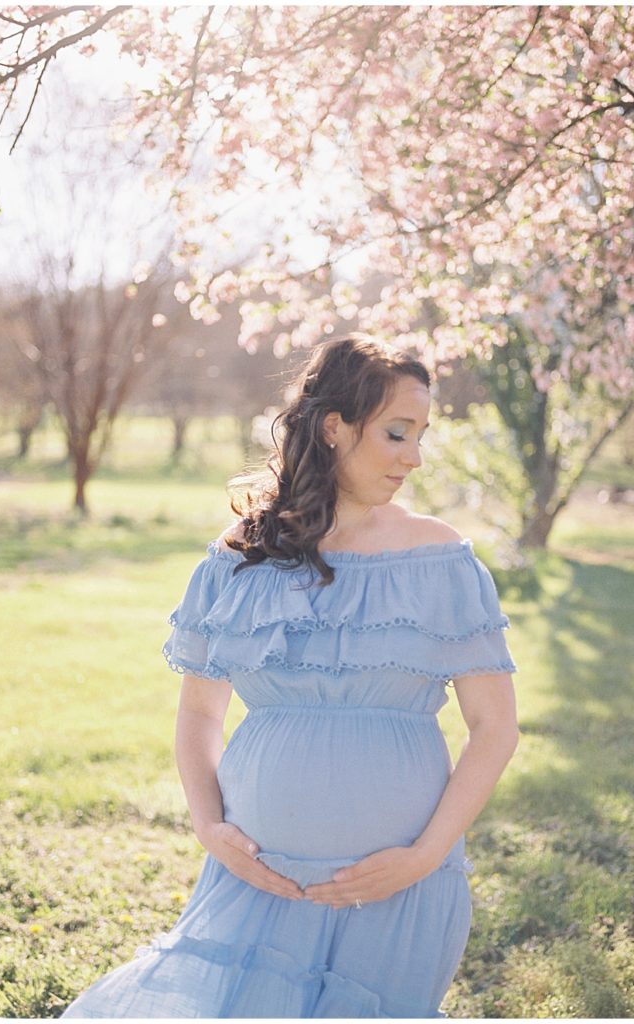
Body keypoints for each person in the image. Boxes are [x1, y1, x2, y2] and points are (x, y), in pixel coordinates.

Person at [62, 334, 519, 1019]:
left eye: (421, 436)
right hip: (256, 879)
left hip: (401, 888)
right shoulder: (241, 555)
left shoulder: (439, 557)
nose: (413, 457)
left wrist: (424, 856)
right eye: (397, 433)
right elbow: (198, 717)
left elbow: (494, 729)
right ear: (334, 428)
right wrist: (210, 826)